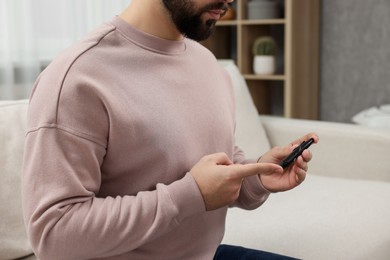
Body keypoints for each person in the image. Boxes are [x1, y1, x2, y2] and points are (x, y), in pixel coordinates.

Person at [21, 0, 318, 259]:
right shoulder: (77, 78)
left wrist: (257, 176)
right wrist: (189, 196)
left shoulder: (207, 63)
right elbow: (53, 236)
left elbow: (222, 166)